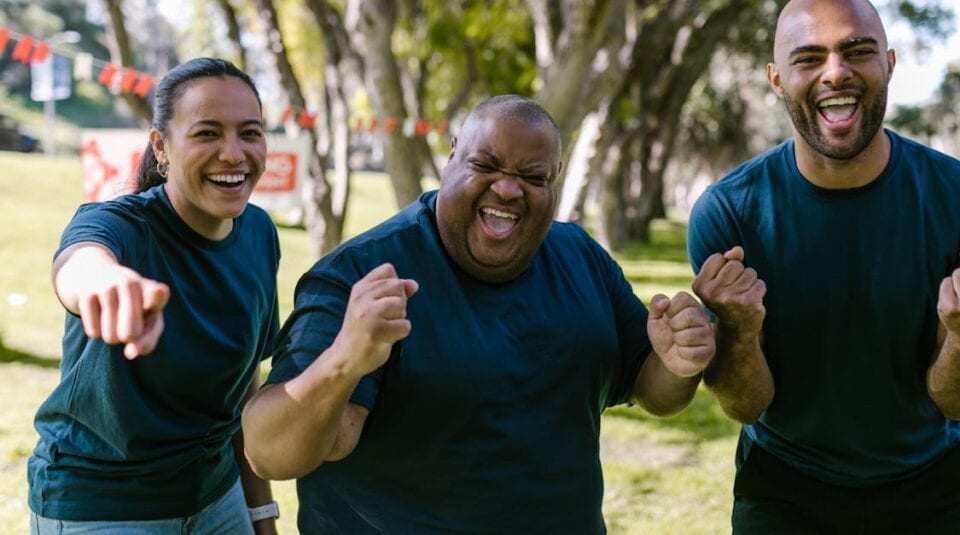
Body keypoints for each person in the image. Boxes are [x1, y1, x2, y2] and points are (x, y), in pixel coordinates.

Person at [242, 94, 715, 533]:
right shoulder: (361, 273)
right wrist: (343, 359)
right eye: (485, 165)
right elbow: (270, 454)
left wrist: (679, 363)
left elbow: (653, 390)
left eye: (533, 177)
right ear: (451, 157)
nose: (508, 189)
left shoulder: (582, 259)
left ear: (556, 178)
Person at [687, 0, 960, 533]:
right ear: (776, 80)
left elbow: (958, 400)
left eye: (857, 52)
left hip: (929, 484)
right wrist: (739, 334)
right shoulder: (729, 212)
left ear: (888, 63)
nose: (835, 72)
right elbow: (746, 407)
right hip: (783, 488)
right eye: (808, 58)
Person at [28, 57, 281, 535]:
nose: (233, 153)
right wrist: (108, 286)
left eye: (250, 133)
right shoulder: (118, 225)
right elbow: (78, 263)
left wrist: (260, 513)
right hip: (102, 505)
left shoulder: (259, 233)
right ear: (161, 147)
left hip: (216, 497)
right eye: (207, 133)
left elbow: (244, 385)